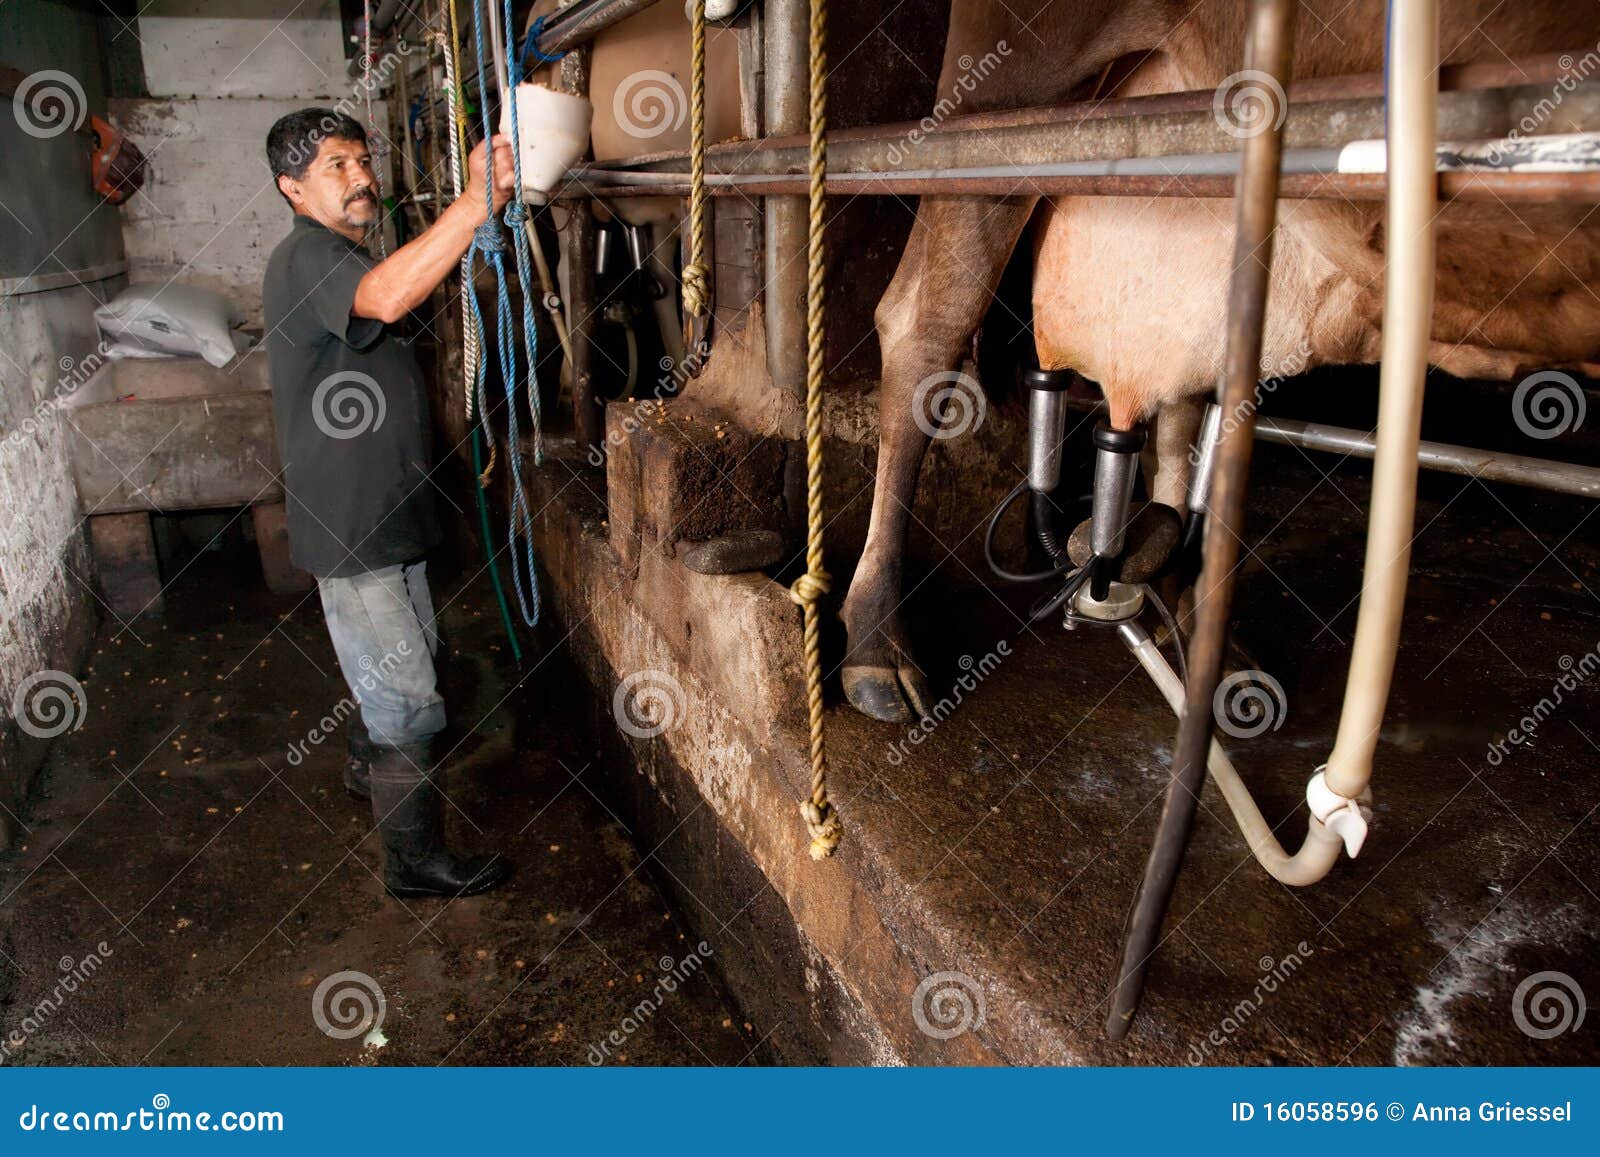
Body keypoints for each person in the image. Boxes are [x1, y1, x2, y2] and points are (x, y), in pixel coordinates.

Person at [261, 108, 514, 899]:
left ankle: (365, 768)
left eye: (362, 159)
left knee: (409, 660)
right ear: (292, 188)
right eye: (336, 165)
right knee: (407, 696)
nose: (362, 175)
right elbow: (388, 297)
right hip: (354, 525)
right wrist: (474, 205)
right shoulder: (310, 255)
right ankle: (413, 863)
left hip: (381, 512)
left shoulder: (336, 251)